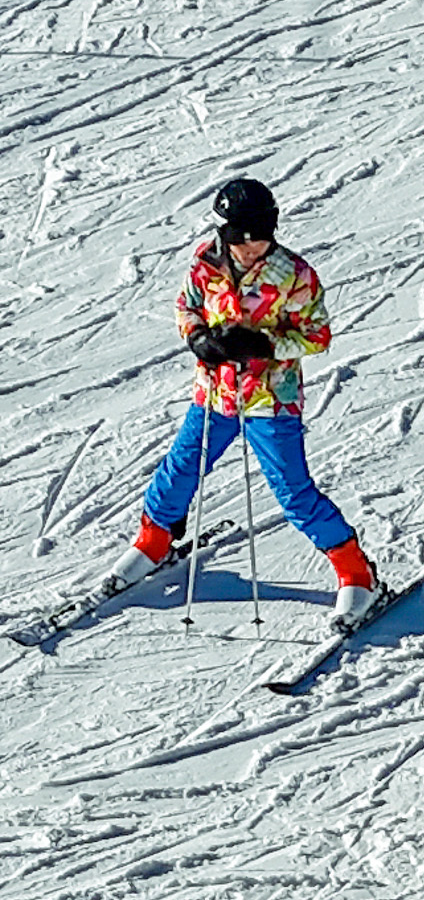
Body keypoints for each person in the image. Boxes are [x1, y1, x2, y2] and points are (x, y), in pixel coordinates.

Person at [108, 176, 377, 617]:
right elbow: (187, 306)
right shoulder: (205, 264)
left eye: (260, 241)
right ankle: (153, 541)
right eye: (242, 243)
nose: (252, 250)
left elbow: (318, 335)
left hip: (271, 398)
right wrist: (198, 339)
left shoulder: (294, 274)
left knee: (292, 491)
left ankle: (356, 572)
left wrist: (266, 344)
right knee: (179, 470)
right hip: (215, 394)